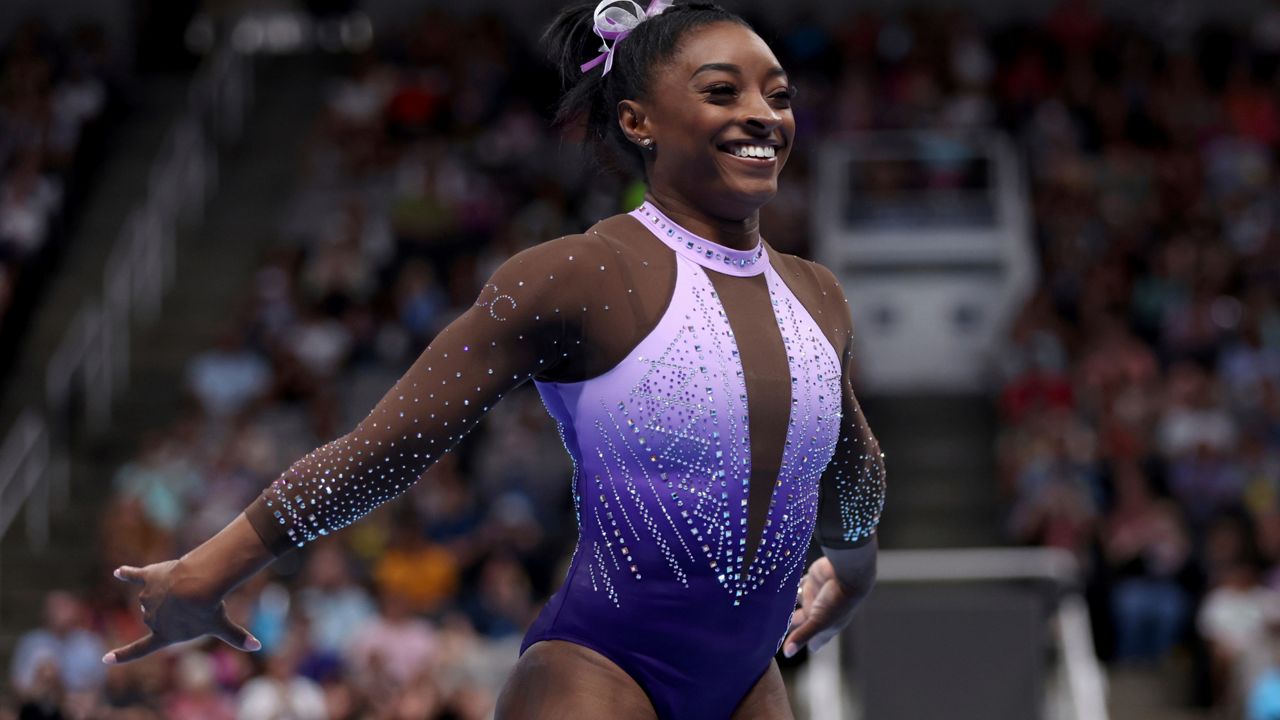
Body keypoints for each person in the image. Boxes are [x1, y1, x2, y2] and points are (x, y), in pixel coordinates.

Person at [101, 2, 887, 718]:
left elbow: (853, 467)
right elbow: (381, 451)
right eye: (723, 92)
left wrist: (850, 572)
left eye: (778, 95)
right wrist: (209, 569)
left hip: (749, 683)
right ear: (637, 119)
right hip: (600, 671)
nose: (762, 115)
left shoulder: (816, 294)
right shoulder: (580, 274)